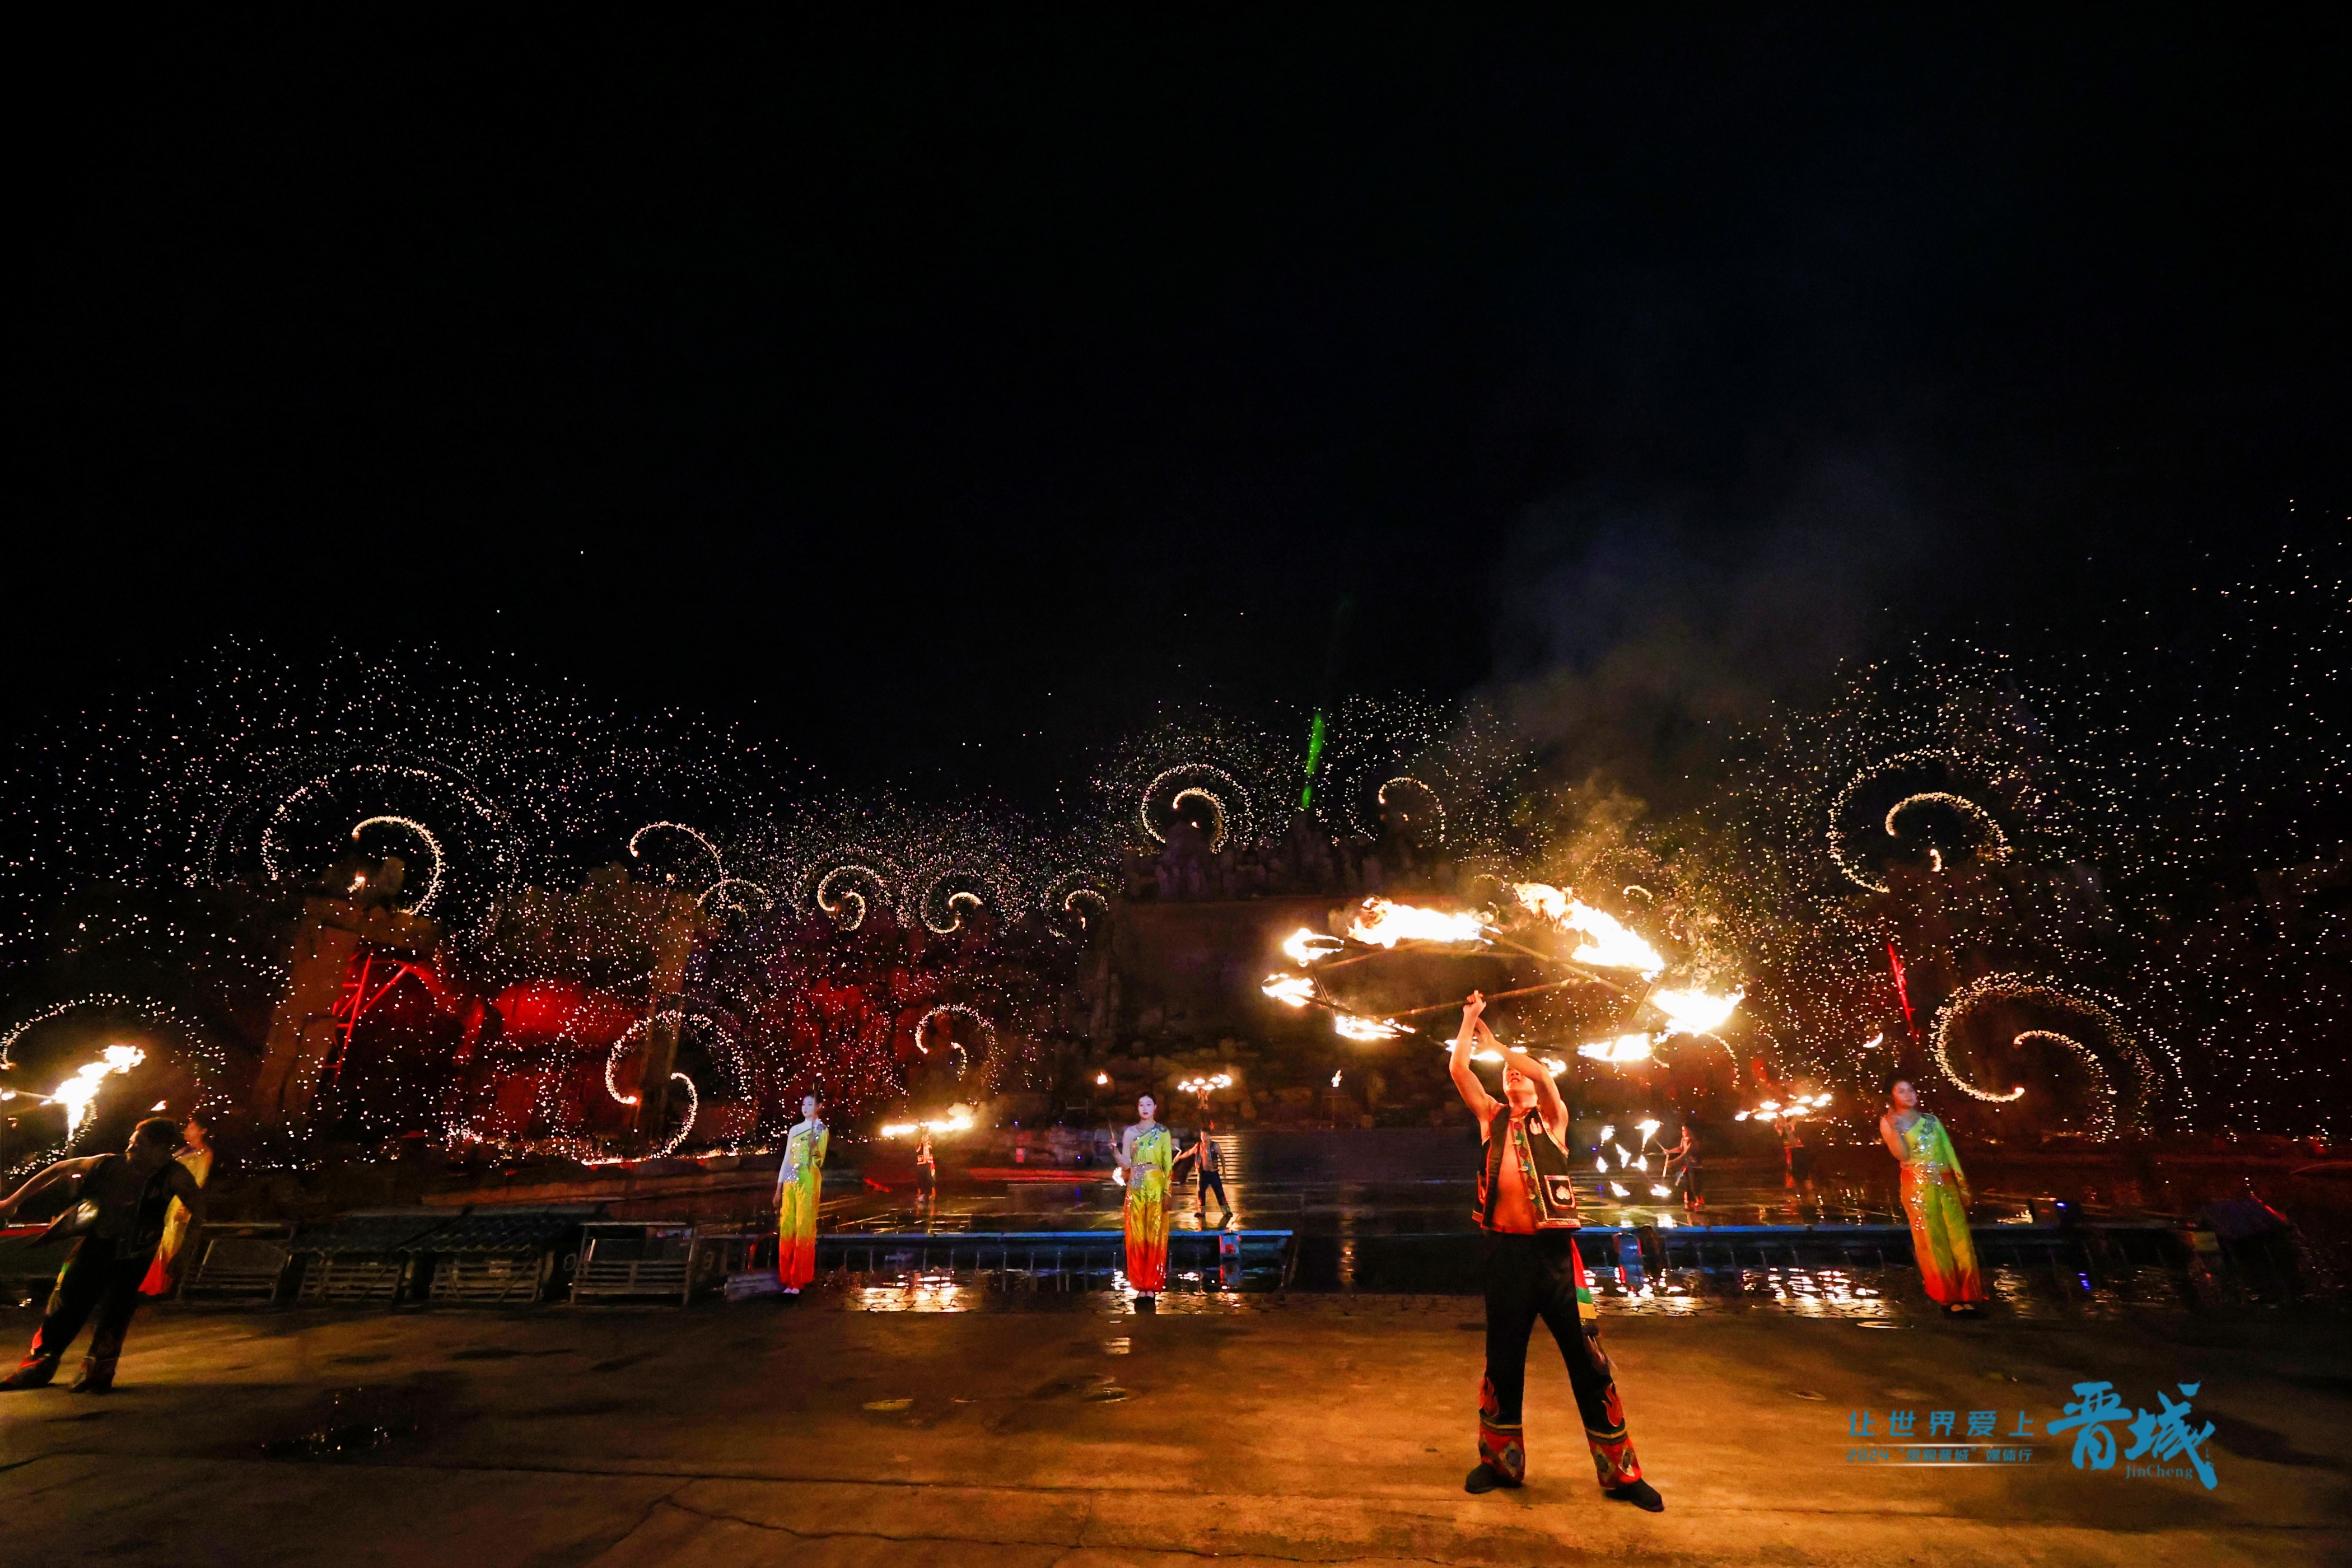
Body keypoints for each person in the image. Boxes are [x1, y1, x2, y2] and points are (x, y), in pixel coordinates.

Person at [1449, 994, 1660, 1510]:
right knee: (1502, 1360)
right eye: (1506, 1076)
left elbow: (1542, 1073)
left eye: (1516, 1074)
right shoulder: (1491, 1119)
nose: (1512, 1078)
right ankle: (1499, 1463)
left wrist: (1498, 1046)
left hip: (1559, 1260)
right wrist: (1469, 1022)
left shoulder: (1552, 1119)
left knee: (1590, 1361)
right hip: (1505, 1258)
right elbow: (1459, 1069)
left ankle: (1623, 1474)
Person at [0, 1117, 207, 1392]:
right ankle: (38, 1366)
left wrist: (182, 1255)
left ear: (163, 1148)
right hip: (96, 1245)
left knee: (117, 1312)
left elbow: (199, 1213)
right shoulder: (106, 1163)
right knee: (63, 1305)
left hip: (135, 1255)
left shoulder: (174, 1175)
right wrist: (12, 1202)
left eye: (141, 1143)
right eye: (133, 1140)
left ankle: (98, 1372)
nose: (131, 1146)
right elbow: (60, 1168)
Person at [1878, 1079, 1984, 1315]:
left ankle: (1969, 1294)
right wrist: (1897, 1132)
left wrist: (1962, 1185)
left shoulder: (1932, 1121)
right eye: (1901, 1091)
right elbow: (1902, 1155)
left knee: (1960, 1238)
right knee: (1932, 1239)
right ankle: (1948, 1298)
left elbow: (1949, 1153)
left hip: (1946, 1185)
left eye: (1911, 1090)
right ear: (1892, 1097)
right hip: (1918, 1188)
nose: (1909, 1095)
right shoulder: (1889, 1122)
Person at [139, 1110, 217, 1298]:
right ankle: (150, 1285)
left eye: (191, 1128)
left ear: (202, 1131)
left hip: (179, 1205)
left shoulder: (203, 1155)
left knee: (170, 1244)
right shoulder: (182, 1152)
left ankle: (162, 1287)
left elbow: (197, 1181)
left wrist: (185, 1206)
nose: (187, 1131)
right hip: (167, 1202)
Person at [1114, 1094, 1175, 1307]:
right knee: (1137, 1236)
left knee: (1155, 1235)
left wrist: (1168, 1192)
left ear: (1156, 1107)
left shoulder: (1163, 1133)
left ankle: (1153, 1285)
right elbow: (1125, 1164)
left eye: (1149, 1104)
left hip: (1157, 1185)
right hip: (1136, 1186)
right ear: (1137, 1108)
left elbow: (1168, 1164)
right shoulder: (1130, 1132)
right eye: (1141, 1104)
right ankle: (1141, 1286)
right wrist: (1114, 1150)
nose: (1145, 1108)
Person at [775, 1094, 829, 1295]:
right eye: (803, 1104)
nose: (805, 1108)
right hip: (790, 1179)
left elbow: (818, 1160)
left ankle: (799, 1279)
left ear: (819, 1107)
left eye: (810, 1104)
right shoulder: (795, 1130)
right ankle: (787, 1279)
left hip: (808, 1179)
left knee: (803, 1226)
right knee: (787, 1226)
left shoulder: (821, 1130)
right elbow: (787, 1157)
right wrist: (779, 1187)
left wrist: (815, 1146)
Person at [1192, 1124, 1230, 1223]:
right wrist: (1179, 1158)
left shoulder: (1215, 1146)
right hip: (1203, 1173)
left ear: (1209, 1136)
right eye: (1202, 1136)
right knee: (1201, 1193)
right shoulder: (1199, 1146)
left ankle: (1226, 1211)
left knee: (1219, 1192)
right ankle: (1201, 1212)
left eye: (1205, 1136)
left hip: (1213, 1173)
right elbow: (1189, 1153)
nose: (1203, 1138)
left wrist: (1224, 1170)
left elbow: (1222, 1157)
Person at [1661, 1124, 1704, 1215]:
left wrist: (1673, 1162)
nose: (1683, 1132)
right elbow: (1681, 1149)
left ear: (1689, 1131)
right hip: (1687, 1166)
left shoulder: (1693, 1142)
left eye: (1684, 1130)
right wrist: (1670, 1151)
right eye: (1682, 1130)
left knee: (1694, 1186)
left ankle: (1700, 1204)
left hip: (1695, 1167)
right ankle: (1689, 1203)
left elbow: (1686, 1154)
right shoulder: (1684, 1140)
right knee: (1687, 1186)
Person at [913, 1126, 937, 1212]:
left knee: (930, 1179)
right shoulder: (919, 1145)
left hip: (929, 1164)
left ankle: (931, 1194)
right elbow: (917, 1150)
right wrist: (921, 1132)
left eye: (926, 1137)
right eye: (923, 1137)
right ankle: (921, 1194)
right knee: (921, 1180)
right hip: (921, 1165)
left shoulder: (930, 1145)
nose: (925, 1139)